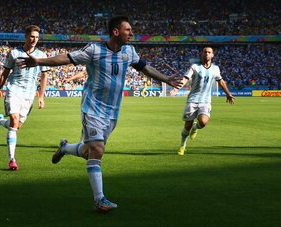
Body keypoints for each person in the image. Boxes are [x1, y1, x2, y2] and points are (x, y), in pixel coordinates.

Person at [18, 16, 182, 212]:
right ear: (115, 32)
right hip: (93, 109)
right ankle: (99, 199)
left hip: (113, 113)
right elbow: (67, 58)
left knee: (88, 151)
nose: (132, 33)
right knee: (97, 150)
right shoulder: (94, 50)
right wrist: (38, 61)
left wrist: (166, 79)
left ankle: (64, 148)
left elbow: (145, 67)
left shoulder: (129, 52)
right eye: (128, 30)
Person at [0, 25, 49, 170]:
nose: (34, 39)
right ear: (26, 36)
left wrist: (41, 97)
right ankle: (12, 160)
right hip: (14, 90)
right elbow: (4, 74)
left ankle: (0, 121)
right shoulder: (14, 53)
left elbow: (44, 75)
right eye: (32, 36)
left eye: (36, 37)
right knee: (14, 121)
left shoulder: (42, 55)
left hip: (29, 95)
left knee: (16, 126)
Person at [170, 47, 235, 156]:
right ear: (201, 54)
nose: (206, 54)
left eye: (209, 52)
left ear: (212, 55)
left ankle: (196, 128)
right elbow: (185, 78)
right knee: (187, 126)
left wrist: (228, 93)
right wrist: (176, 89)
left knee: (203, 122)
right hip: (192, 100)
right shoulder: (195, 67)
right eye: (205, 52)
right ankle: (182, 146)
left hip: (205, 101)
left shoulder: (215, 69)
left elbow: (221, 81)